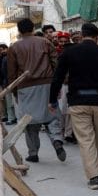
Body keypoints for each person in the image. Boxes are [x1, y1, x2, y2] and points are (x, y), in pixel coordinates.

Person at [49, 23, 98, 190]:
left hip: (78, 101)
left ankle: (94, 177)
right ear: (96, 36)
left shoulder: (69, 52)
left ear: (81, 34)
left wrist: (52, 100)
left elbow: (57, 77)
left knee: (86, 140)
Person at [7, 18, 65, 163]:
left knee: (29, 121)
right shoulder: (45, 42)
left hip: (25, 87)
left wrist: (14, 91)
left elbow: (11, 73)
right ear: (33, 28)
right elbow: (55, 64)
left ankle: (33, 152)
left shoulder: (14, 48)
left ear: (19, 31)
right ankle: (57, 141)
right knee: (52, 116)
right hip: (47, 84)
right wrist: (56, 85)